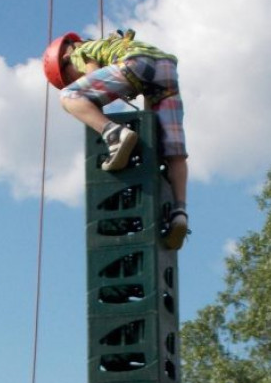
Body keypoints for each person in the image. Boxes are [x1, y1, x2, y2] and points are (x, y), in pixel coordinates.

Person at [43, 29, 190, 251]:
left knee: (70, 97)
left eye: (69, 78)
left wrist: (92, 109)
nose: (75, 79)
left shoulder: (81, 52)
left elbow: (92, 81)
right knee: (174, 152)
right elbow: (148, 108)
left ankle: (114, 134)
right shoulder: (112, 44)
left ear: (65, 58)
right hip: (166, 68)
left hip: (135, 64)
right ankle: (179, 213)